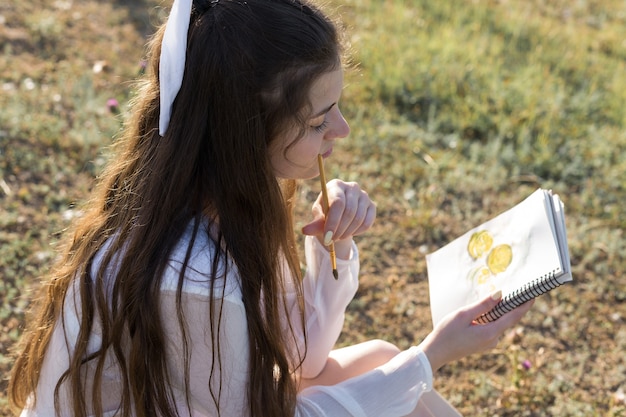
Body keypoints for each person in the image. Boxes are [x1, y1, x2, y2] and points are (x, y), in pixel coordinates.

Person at [8, 0, 534, 416]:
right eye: (316, 121)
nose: (342, 130)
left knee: (380, 360)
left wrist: (332, 244)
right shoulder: (192, 278)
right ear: (245, 134)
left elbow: (303, 360)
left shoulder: (226, 203)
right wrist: (433, 355)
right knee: (401, 373)